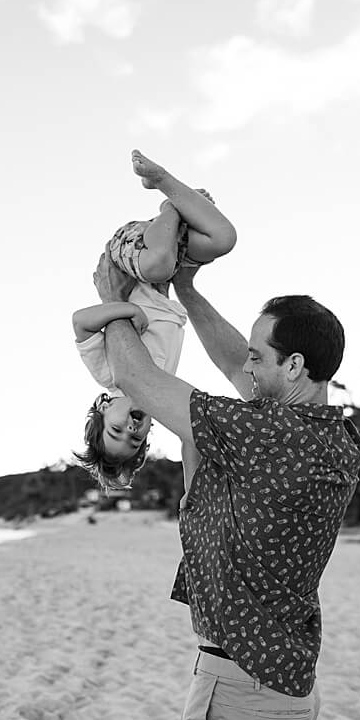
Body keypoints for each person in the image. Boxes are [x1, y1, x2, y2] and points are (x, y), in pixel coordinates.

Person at [94, 248, 360, 720]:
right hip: (273, 686)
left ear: (295, 365)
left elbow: (140, 381)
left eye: (259, 356)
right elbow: (232, 364)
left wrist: (116, 302)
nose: (245, 365)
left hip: (242, 692)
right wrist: (185, 287)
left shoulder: (272, 436)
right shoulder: (324, 433)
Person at [72, 151, 237, 491]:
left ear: (102, 410)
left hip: (127, 259)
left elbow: (81, 322)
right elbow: (190, 438)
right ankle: (180, 208)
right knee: (223, 239)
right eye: (134, 440)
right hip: (164, 267)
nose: (129, 431)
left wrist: (125, 310)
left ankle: (167, 201)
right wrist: (189, 498)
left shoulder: (109, 375)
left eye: (116, 431)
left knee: (159, 263)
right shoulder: (162, 393)